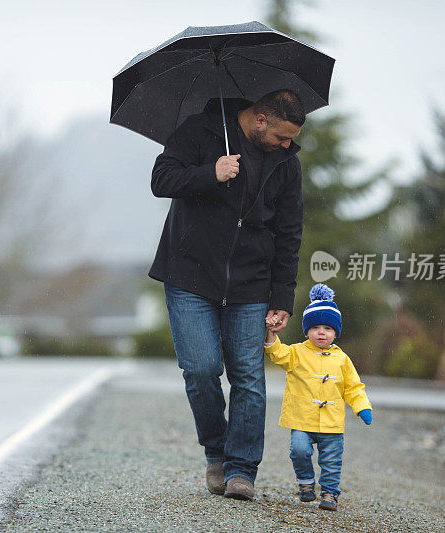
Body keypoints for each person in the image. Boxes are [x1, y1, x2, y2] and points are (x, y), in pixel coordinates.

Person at [148, 90, 305, 500]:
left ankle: (241, 469)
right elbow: (160, 180)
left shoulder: (287, 164)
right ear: (260, 120)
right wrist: (209, 173)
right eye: (282, 136)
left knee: (249, 379)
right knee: (201, 371)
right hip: (190, 277)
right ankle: (216, 452)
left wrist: (282, 298)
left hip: (250, 284)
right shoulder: (199, 130)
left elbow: (289, 233)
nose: (287, 145)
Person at [264, 283, 372, 511]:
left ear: (335, 333)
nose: (321, 332)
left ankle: (330, 493)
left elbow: (354, 386)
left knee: (331, 460)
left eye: (327, 328)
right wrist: (272, 335)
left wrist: (362, 406)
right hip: (302, 418)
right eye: (315, 328)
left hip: (332, 422)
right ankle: (305, 483)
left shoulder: (342, 359)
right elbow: (278, 355)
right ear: (306, 331)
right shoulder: (297, 352)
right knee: (299, 450)